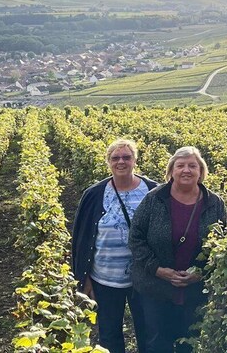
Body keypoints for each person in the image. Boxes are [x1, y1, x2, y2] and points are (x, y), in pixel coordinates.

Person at [129, 146, 226, 353]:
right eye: (180, 165)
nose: (186, 170)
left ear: (201, 172)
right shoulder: (154, 199)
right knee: (157, 342)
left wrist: (199, 273)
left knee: (189, 342)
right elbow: (136, 237)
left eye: (192, 166)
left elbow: (221, 245)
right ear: (171, 171)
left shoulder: (214, 203)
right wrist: (157, 269)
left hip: (195, 291)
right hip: (155, 288)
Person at [71, 138, 157, 353]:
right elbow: (80, 238)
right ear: (108, 162)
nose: (121, 162)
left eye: (126, 157)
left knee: (149, 333)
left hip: (145, 278)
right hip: (105, 279)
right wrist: (84, 276)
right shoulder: (93, 195)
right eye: (115, 158)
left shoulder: (154, 191)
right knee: (109, 335)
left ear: (135, 160)